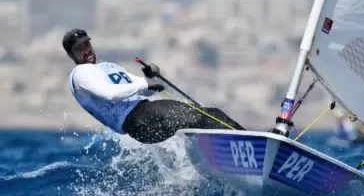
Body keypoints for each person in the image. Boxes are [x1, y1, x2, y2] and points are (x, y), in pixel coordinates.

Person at [62, 28, 245, 144]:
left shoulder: (107, 67)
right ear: (71, 55)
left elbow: (134, 83)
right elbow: (110, 94)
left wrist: (149, 73)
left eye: (87, 44)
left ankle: (238, 143)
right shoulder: (80, 73)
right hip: (138, 117)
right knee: (202, 117)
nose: (86, 50)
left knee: (208, 115)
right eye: (79, 48)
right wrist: (144, 83)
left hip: (144, 118)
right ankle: (247, 142)